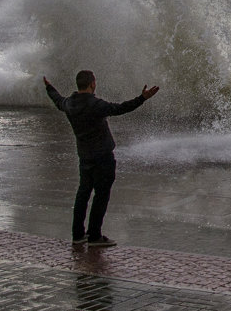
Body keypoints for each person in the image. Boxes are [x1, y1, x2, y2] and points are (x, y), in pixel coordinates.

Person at [44, 71, 159, 247]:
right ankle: (95, 236)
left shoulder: (69, 104)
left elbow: (57, 99)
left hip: (85, 157)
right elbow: (120, 108)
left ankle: (77, 234)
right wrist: (142, 98)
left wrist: (49, 87)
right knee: (101, 195)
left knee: (83, 194)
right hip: (103, 157)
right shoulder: (95, 104)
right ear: (92, 84)